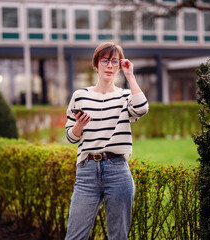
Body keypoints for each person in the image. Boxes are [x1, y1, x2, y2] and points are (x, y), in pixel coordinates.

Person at [64, 42, 149, 240]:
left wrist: (130, 76)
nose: (109, 66)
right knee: (74, 236)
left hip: (118, 171)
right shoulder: (80, 95)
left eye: (114, 61)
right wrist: (79, 127)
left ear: (120, 65)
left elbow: (142, 108)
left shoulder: (126, 96)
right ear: (96, 65)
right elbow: (70, 136)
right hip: (86, 172)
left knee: (118, 236)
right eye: (104, 61)